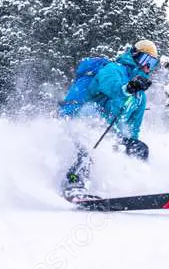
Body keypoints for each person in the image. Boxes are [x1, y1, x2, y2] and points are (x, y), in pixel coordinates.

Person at [57, 39, 160, 198]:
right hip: (82, 120)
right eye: (145, 59)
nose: (147, 66)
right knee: (87, 148)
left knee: (139, 148)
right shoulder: (113, 69)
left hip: (108, 131)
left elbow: (133, 127)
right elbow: (112, 88)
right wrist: (129, 87)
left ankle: (136, 188)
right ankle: (73, 182)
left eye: (152, 63)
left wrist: (131, 144)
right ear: (134, 56)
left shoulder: (140, 97)